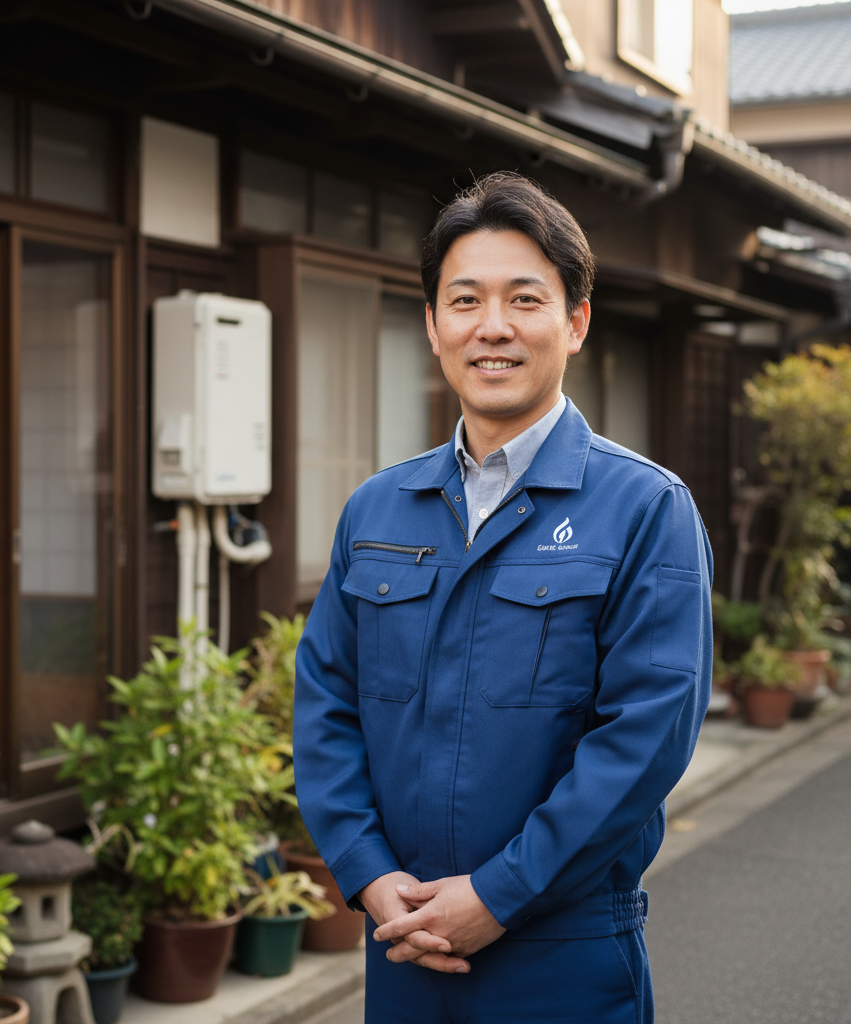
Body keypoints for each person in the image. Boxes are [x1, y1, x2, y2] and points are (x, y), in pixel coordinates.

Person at [293, 172, 712, 1023]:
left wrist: (500, 893)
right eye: (465, 300)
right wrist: (368, 874)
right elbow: (325, 703)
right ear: (432, 325)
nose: (492, 327)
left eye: (525, 299)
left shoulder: (645, 508)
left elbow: (645, 738)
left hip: (564, 951)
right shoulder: (377, 509)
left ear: (576, 322)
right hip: (404, 942)